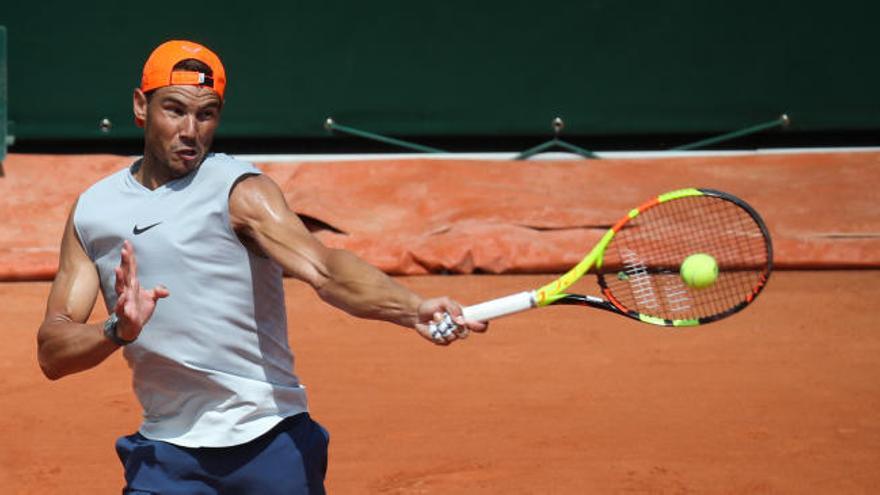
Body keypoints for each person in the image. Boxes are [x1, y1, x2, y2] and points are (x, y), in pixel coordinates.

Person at [36, 40, 487, 494]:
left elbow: (325, 268)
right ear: (141, 106)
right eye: (174, 110)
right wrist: (118, 329)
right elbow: (52, 352)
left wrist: (412, 309)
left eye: (207, 113)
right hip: (166, 454)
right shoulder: (94, 211)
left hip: (269, 442)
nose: (190, 130)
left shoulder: (239, 191)